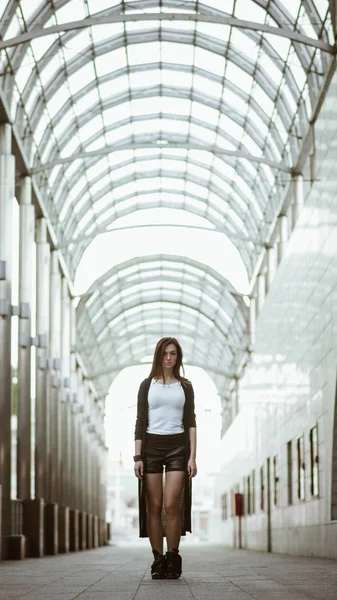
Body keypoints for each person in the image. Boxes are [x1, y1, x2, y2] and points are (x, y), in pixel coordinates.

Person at [134, 337, 197, 579]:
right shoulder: (146, 385)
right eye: (165, 354)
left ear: (178, 357)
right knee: (155, 506)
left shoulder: (186, 386)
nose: (169, 358)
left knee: (171, 506)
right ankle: (158, 559)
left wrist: (193, 456)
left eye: (173, 354)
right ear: (158, 356)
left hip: (177, 449)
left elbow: (191, 421)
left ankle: (173, 557)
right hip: (151, 448)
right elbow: (140, 421)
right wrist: (138, 456)